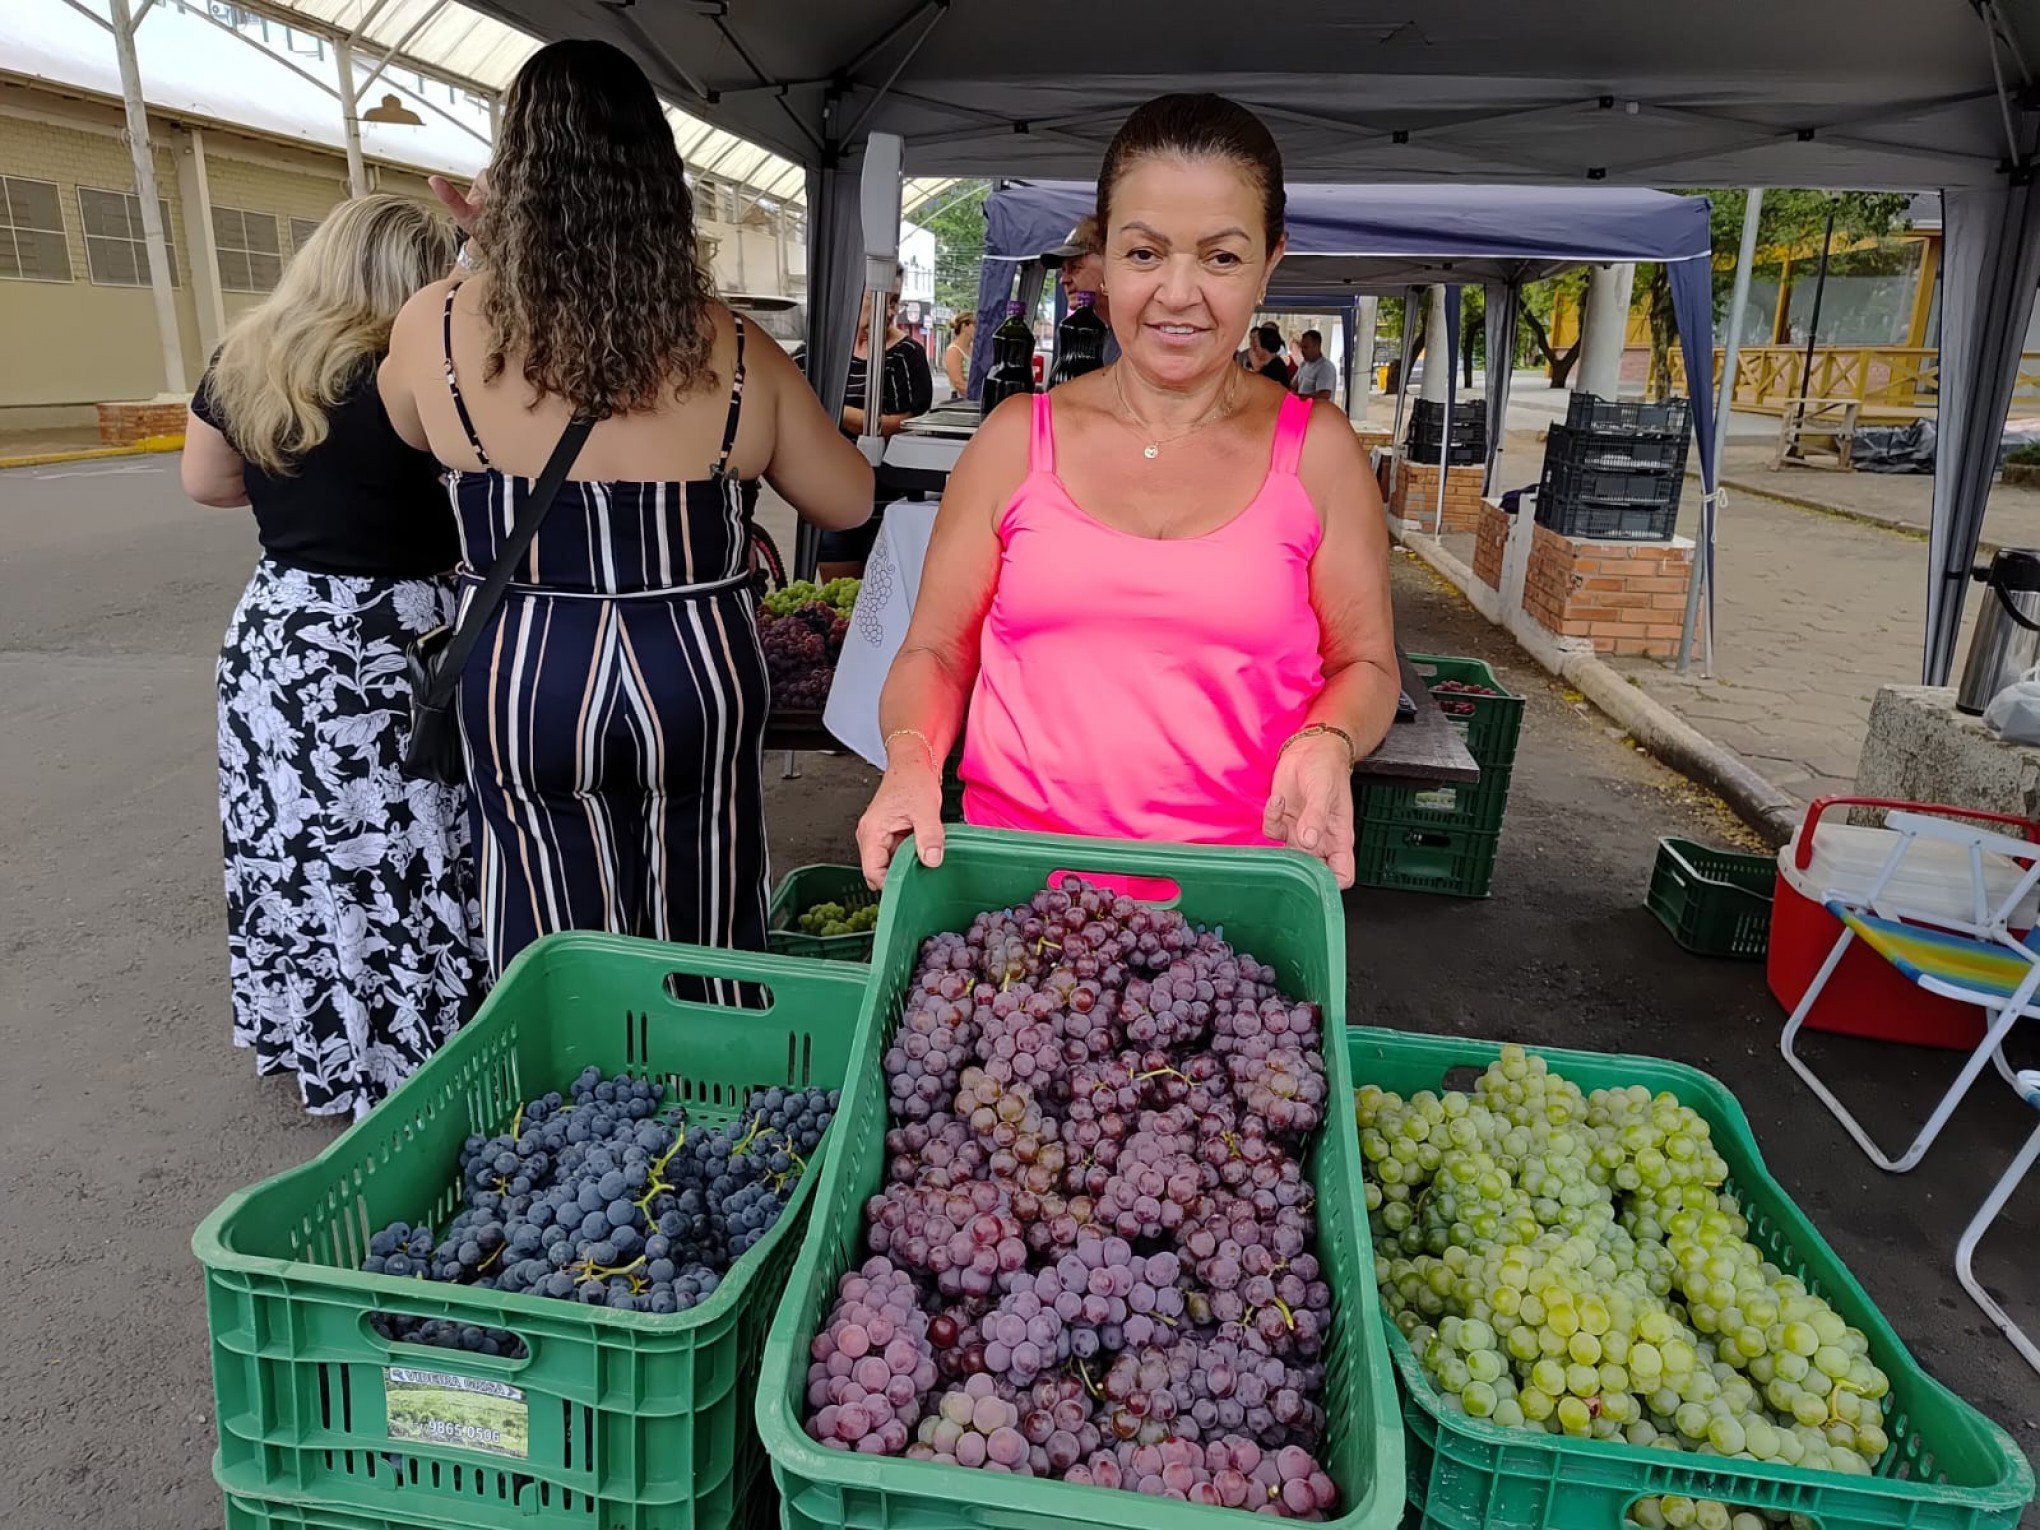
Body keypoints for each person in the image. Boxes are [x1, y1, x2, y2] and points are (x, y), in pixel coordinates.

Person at [378, 39, 873, 979]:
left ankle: (568, 1091)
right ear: (660, 184)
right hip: (692, 671)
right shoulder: (729, 343)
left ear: (510, 173)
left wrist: (484, 252)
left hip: (524, 669)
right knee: (707, 905)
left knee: (545, 927)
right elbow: (846, 495)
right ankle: (715, 1074)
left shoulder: (436, 322)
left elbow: (407, 432)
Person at [856, 92, 1399, 891]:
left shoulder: (1317, 452)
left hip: (1238, 911)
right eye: (1145, 254)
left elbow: (1367, 666)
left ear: (1270, 262)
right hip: (1015, 897)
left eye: (1221, 258)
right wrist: (911, 756)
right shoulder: (1016, 439)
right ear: (1103, 258)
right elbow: (937, 651)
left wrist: (1329, 738)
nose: (1179, 295)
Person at [180, 193, 481, 1119]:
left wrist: (300, 507)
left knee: (302, 845)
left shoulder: (248, 358)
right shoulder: (416, 371)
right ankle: (425, 1044)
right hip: (399, 638)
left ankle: (324, 1039)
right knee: (410, 844)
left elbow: (206, 482)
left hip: (282, 633)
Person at [820, 284, 933, 580]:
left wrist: (831, 408)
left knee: (880, 592)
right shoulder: (824, 347)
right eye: (884, 299)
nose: (892, 310)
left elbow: (902, 424)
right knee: (836, 600)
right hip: (832, 492)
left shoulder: (907, 354)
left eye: (895, 301)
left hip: (885, 496)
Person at [1043, 215, 1123, 367]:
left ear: (1110, 265)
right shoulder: (1095, 337)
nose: (1063, 280)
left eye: (1075, 267)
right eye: (1063, 270)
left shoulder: (1140, 341)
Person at [1293, 328, 1338, 401]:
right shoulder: (1303, 364)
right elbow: (1293, 385)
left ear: (1317, 346)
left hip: (1317, 411)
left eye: (1305, 347)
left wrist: (1300, 397)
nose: (1302, 351)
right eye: (1301, 347)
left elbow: (1324, 396)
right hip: (1302, 408)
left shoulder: (1325, 367)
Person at [943, 312, 976, 396]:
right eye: (975, 325)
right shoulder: (953, 350)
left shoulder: (973, 348)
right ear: (964, 326)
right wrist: (977, 393)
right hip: (961, 401)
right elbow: (958, 383)